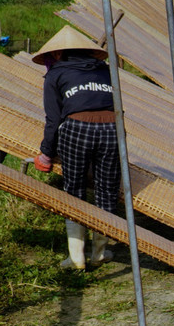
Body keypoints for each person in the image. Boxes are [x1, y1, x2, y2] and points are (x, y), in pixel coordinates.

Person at [32, 25, 118, 270]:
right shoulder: (105, 70)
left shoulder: (55, 74)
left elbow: (54, 119)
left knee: (74, 188)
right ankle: (99, 253)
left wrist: (46, 154)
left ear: (57, 54)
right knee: (107, 190)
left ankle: (76, 257)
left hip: (77, 128)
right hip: (112, 128)